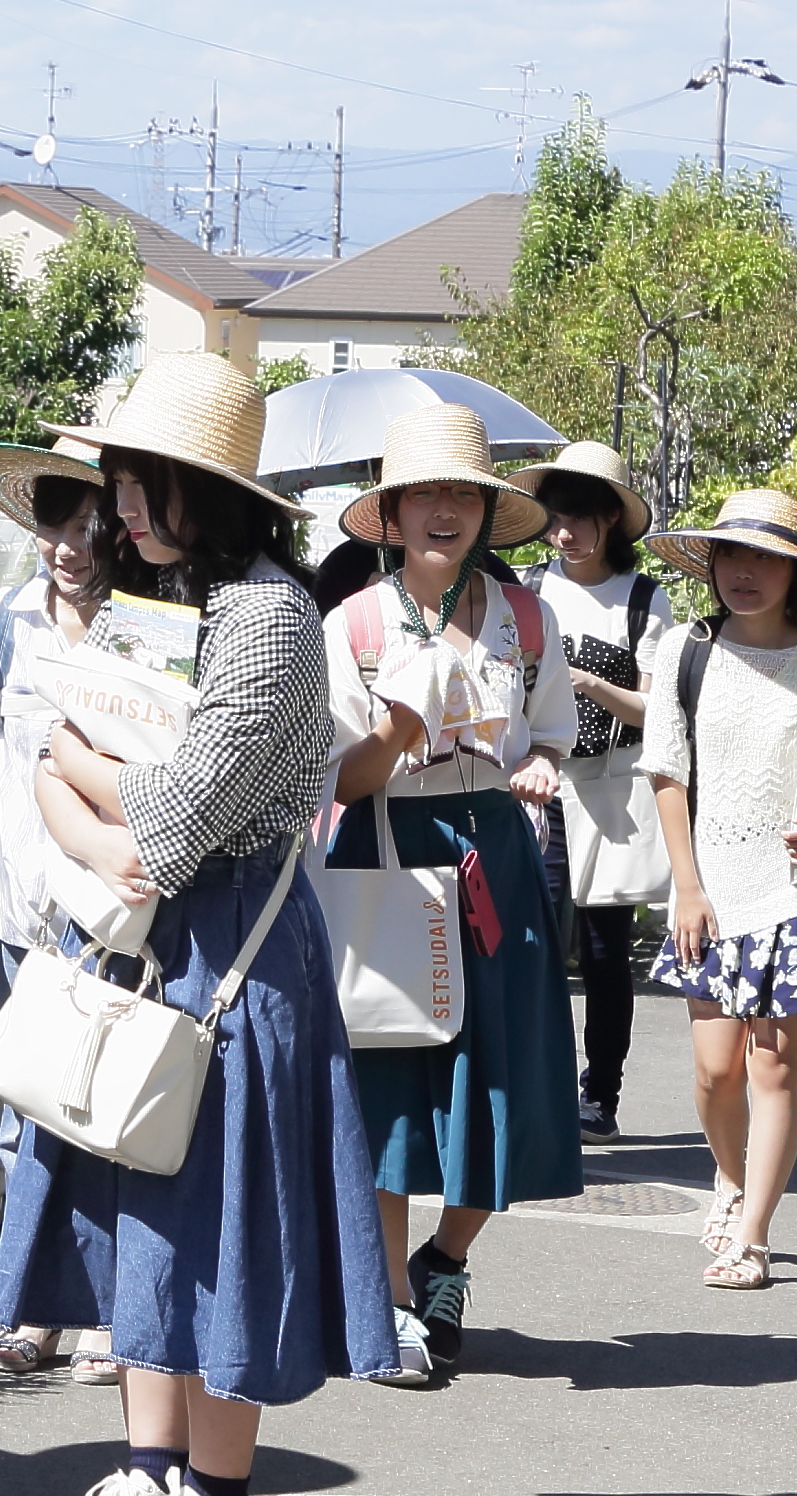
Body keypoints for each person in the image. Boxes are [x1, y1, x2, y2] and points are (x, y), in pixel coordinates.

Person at [0, 352, 395, 1496]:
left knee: (224, 1225)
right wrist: (92, 802)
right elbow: (56, 762)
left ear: (197, 489)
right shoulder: (163, 605)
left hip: (232, 947)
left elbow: (173, 816)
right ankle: (150, 1474)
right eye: (111, 484)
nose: (112, 510)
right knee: (138, 1218)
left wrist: (90, 788)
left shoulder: (269, 614)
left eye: (133, 484)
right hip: (150, 941)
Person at [322, 402, 580, 1386]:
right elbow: (343, 779)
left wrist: (543, 768)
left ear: (485, 508)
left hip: (495, 858)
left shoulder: (526, 617)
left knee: (511, 1075)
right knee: (390, 1078)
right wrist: (395, 729)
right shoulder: (350, 624)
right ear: (388, 513)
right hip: (386, 849)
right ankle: (387, 1307)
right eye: (419, 492)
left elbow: (552, 731)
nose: (441, 510)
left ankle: (447, 1258)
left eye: (459, 493)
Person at [637, 490, 797, 1292]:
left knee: (773, 1070)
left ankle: (752, 1237)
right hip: (709, 890)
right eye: (731, 556)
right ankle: (732, 1175)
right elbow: (667, 775)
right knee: (716, 1072)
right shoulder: (687, 650)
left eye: (765, 559)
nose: (744, 573)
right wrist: (686, 886)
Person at [0, 441, 136, 1386]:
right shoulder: (3, 622)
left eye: (93, 525)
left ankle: (106, 1313)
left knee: (111, 1114)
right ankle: (33, 1307)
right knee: (28, 1114)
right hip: (22, 917)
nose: (72, 546)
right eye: (57, 522)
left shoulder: (149, 628)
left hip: (123, 916)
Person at [511, 442, 672, 1146]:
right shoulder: (528, 589)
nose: (563, 533)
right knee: (535, 942)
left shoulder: (643, 599)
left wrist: (589, 684)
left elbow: (662, 711)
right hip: (536, 789)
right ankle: (536, 1083)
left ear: (613, 520)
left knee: (606, 951)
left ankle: (599, 1090)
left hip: (611, 791)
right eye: (554, 518)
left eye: (578, 518)